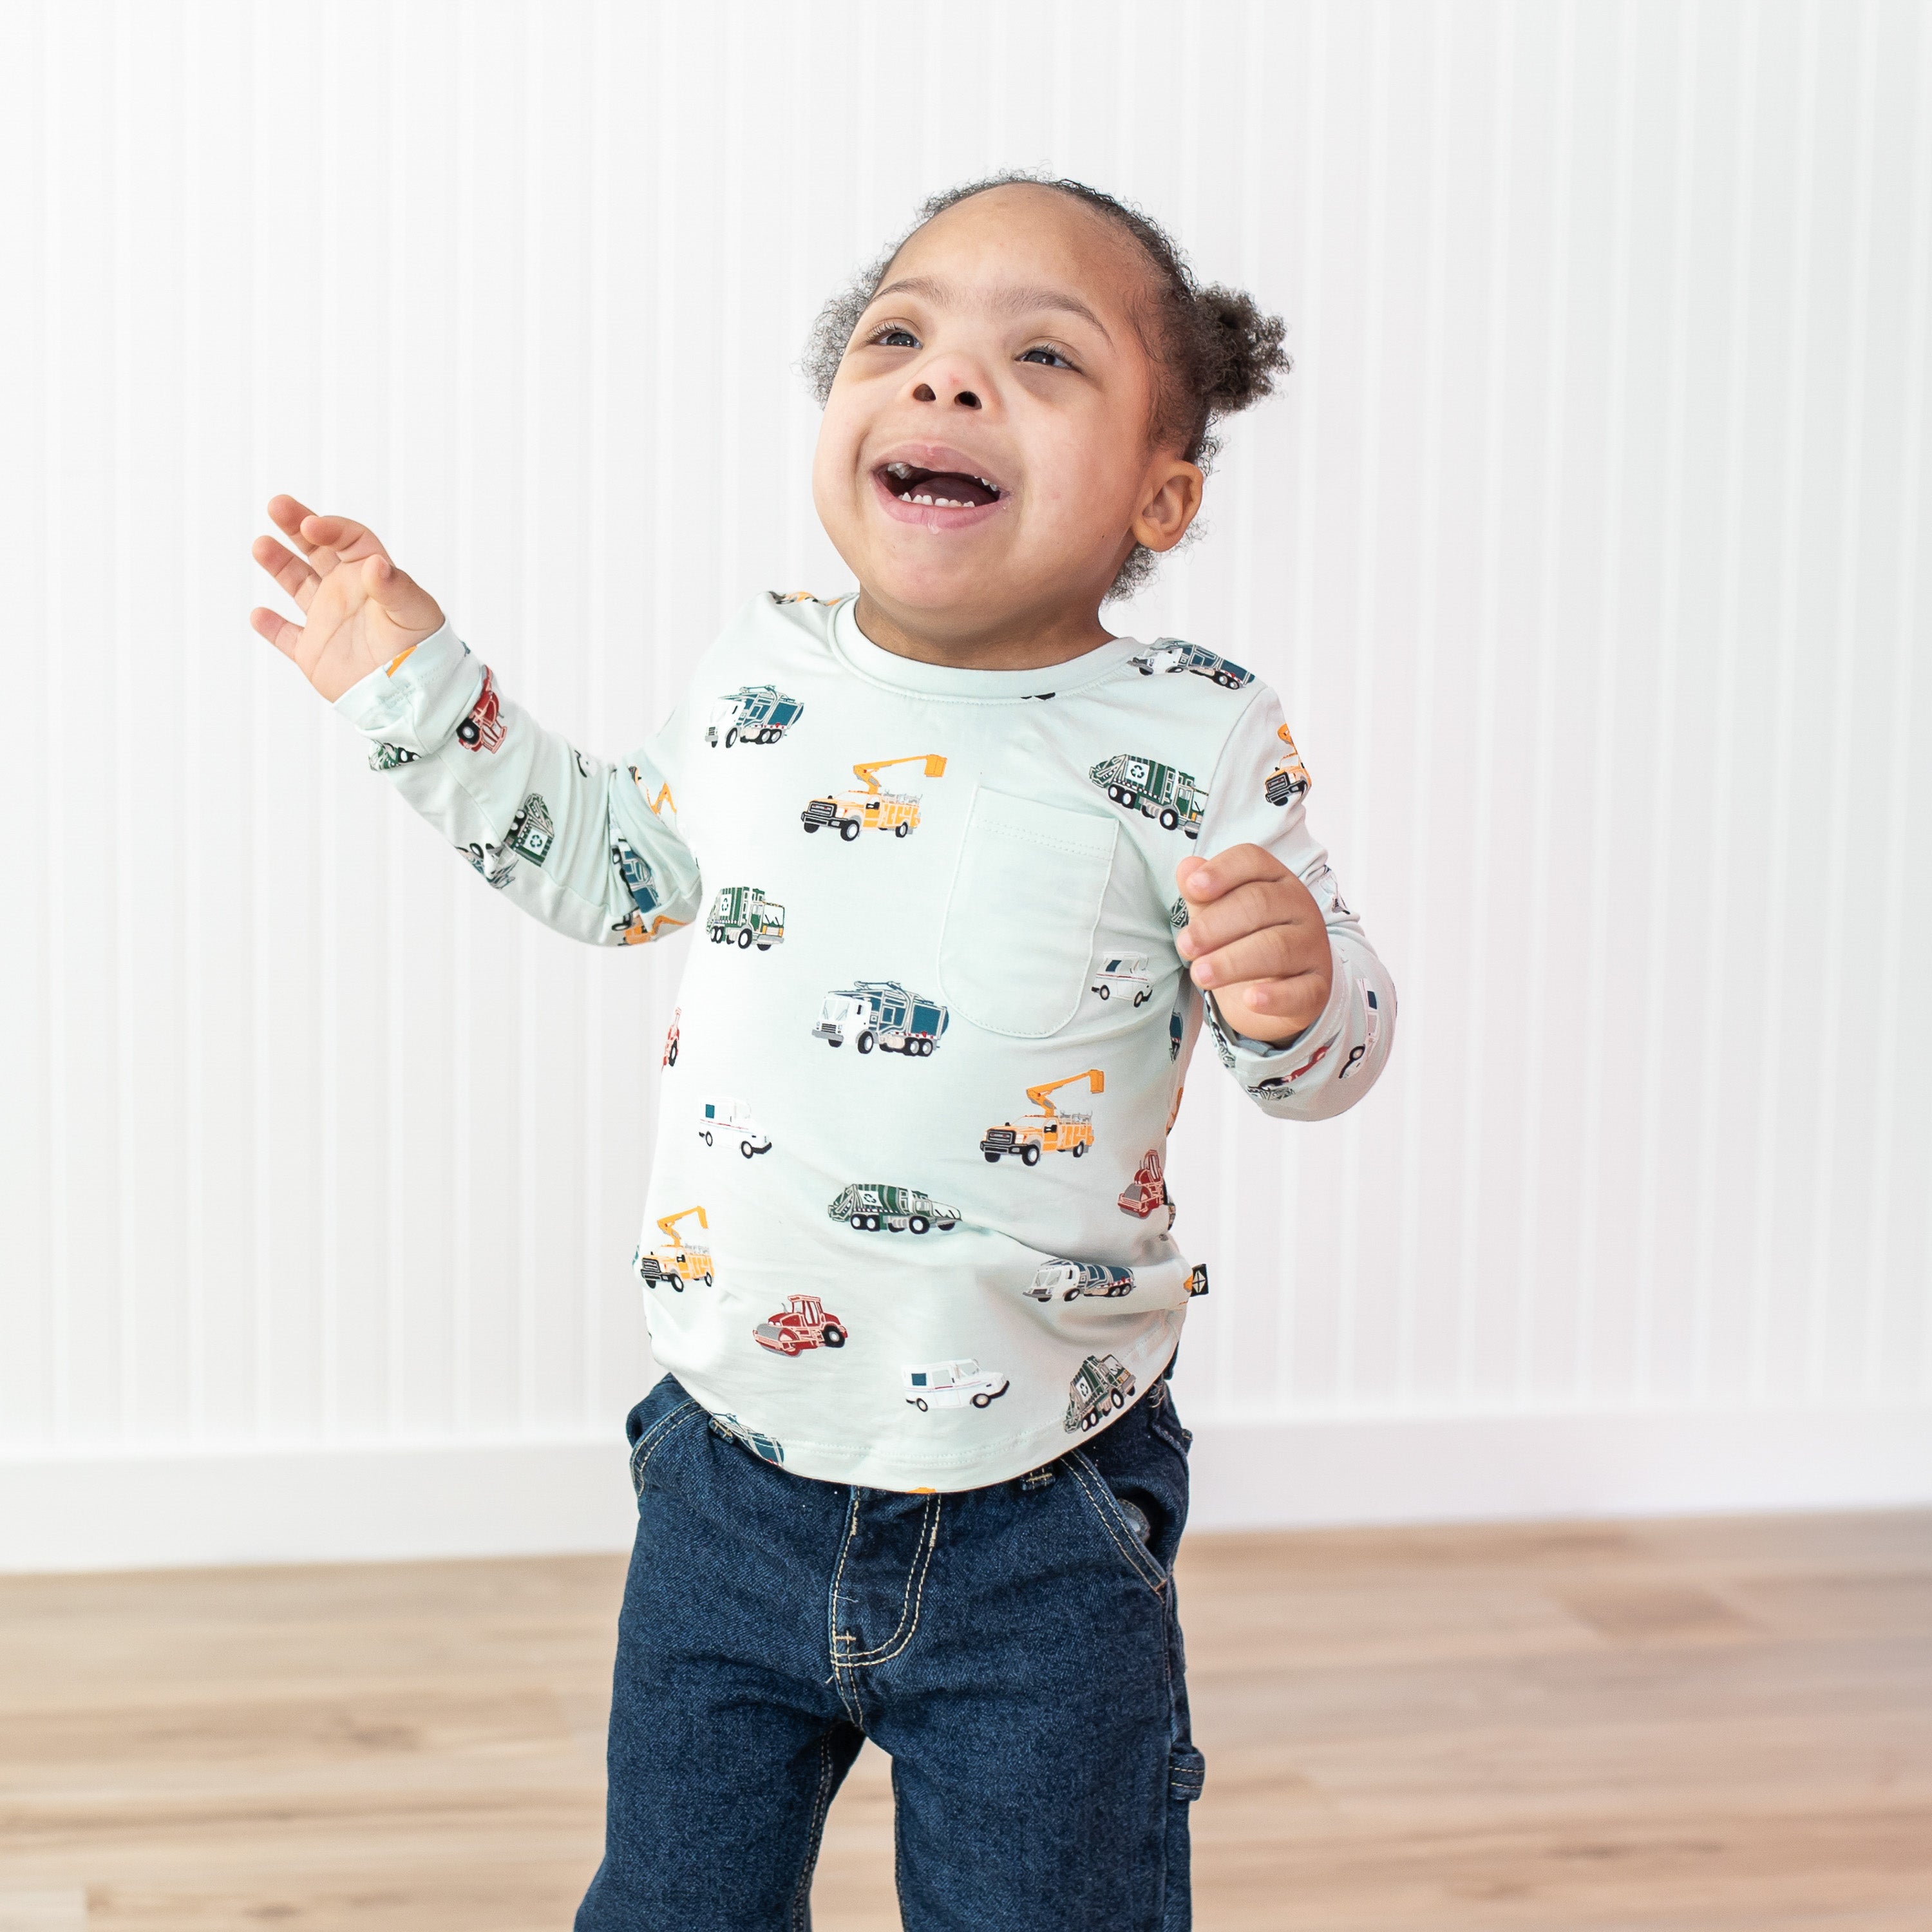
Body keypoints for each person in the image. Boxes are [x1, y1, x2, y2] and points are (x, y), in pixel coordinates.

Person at [249, 172, 1396, 1932]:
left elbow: (1314, 1071)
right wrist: (419, 691)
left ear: (1162, 493)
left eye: (1041, 356)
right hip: (730, 1461)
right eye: (900, 337)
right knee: (672, 1906)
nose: (947, 382)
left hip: (1045, 1497)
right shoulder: (759, 678)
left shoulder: (1195, 736)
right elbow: (610, 871)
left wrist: (1301, 991)